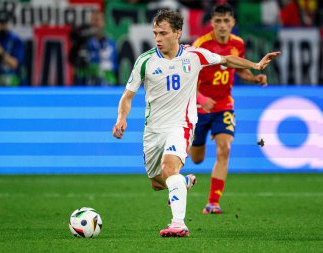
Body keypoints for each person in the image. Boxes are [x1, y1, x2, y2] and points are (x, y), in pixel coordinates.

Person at [112, 9, 279, 237]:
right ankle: (184, 182)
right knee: (157, 182)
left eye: (163, 33)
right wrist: (121, 117)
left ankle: (178, 224)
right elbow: (127, 96)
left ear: (178, 32)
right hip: (153, 130)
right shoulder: (145, 61)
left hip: (181, 125)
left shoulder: (194, 55)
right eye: (155, 33)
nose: (158, 38)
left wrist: (256, 66)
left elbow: (226, 60)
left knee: (169, 168)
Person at [189, 3, 269, 214]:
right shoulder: (201, 45)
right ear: (212, 23)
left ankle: (212, 202)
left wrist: (253, 78)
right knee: (196, 158)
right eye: (218, 21)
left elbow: (238, 69)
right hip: (200, 106)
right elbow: (189, 77)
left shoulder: (238, 44)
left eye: (226, 21)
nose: (222, 26)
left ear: (233, 22)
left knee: (224, 149)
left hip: (224, 104)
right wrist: (200, 97)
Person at [69, 10, 118, 86]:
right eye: (93, 20)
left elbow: (116, 69)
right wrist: (77, 43)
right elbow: (71, 61)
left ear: (104, 23)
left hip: (107, 88)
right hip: (87, 88)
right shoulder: (84, 43)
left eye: (98, 20)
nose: (95, 23)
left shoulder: (111, 44)